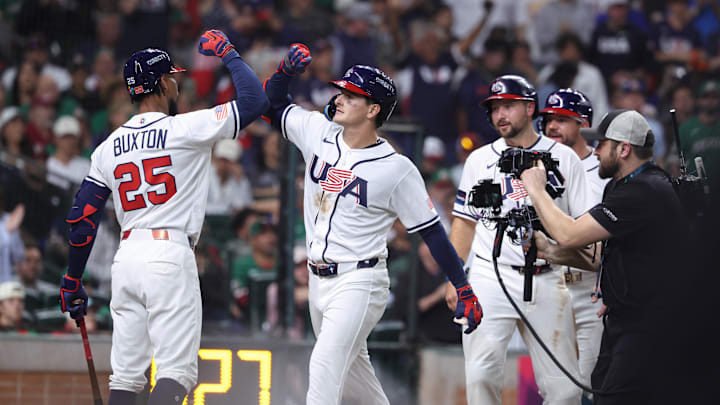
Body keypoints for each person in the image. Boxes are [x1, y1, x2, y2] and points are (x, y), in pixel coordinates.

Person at [263, 44, 483, 405]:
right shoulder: (318, 131)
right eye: (341, 92)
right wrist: (285, 71)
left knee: (324, 367)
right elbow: (273, 106)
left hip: (359, 279)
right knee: (354, 379)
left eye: (351, 95)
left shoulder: (396, 168)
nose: (340, 98)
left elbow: (430, 231)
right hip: (319, 282)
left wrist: (461, 285)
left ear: (373, 109)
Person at [58, 30, 269, 405]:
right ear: (159, 84)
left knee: (125, 377)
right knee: (175, 375)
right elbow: (254, 101)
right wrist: (228, 53)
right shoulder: (185, 128)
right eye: (172, 79)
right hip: (169, 254)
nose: (177, 86)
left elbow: (82, 216)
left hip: (127, 258)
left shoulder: (108, 147)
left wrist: (73, 277)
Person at [520, 109, 701, 404]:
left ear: (624, 148)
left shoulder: (645, 191)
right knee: (602, 388)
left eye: (602, 144)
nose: (595, 152)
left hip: (651, 324)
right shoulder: (619, 185)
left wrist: (535, 188)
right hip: (625, 316)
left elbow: (569, 234)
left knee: (615, 396)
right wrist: (549, 251)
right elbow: (596, 258)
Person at [445, 75, 595, 405]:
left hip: (548, 276)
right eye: (495, 108)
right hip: (490, 275)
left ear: (530, 108)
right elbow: (464, 224)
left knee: (565, 390)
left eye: (508, 106)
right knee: (481, 376)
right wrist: (456, 280)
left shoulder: (564, 158)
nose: (500, 115)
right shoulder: (479, 159)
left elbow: (586, 226)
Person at [538, 88, 608, 395]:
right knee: (555, 388)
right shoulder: (535, 167)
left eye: (563, 119)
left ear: (583, 123)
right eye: (548, 119)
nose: (552, 126)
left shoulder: (604, 170)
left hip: (591, 286)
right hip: (550, 282)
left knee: (592, 383)